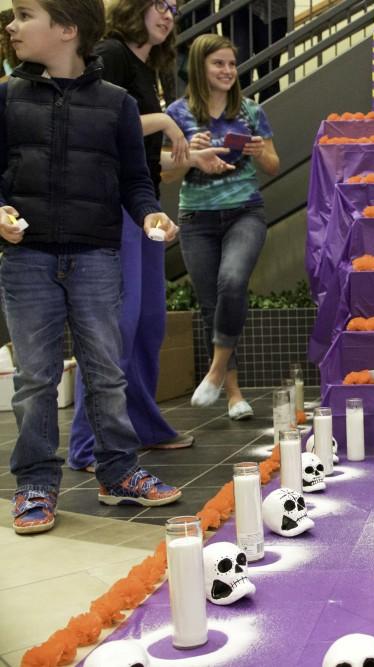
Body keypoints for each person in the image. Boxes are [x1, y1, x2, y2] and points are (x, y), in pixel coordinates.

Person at [1, 0, 183, 534]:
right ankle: (35, 482)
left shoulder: (119, 105)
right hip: (27, 260)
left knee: (106, 371)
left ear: (65, 29)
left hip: (97, 256)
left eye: (24, 14)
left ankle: (119, 471)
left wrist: (151, 214)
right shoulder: (7, 98)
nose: (11, 25)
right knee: (35, 379)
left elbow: (135, 180)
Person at [68, 0, 236, 473]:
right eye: (159, 4)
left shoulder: (149, 70)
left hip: (142, 206)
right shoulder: (112, 53)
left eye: (175, 8)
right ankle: (90, 442)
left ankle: (141, 425)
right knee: (115, 327)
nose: (168, 14)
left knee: (147, 324)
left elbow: (140, 157)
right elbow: (96, 122)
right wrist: (165, 122)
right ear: (135, 7)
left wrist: (188, 159)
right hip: (110, 206)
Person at [167, 34, 280, 418]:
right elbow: (167, 177)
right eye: (219, 64)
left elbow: (273, 166)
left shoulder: (250, 111)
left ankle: (214, 372)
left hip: (245, 212)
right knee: (211, 303)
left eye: (232, 64)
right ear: (200, 67)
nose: (228, 71)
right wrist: (191, 155)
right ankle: (233, 393)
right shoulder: (177, 115)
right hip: (196, 218)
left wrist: (258, 149)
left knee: (232, 280)